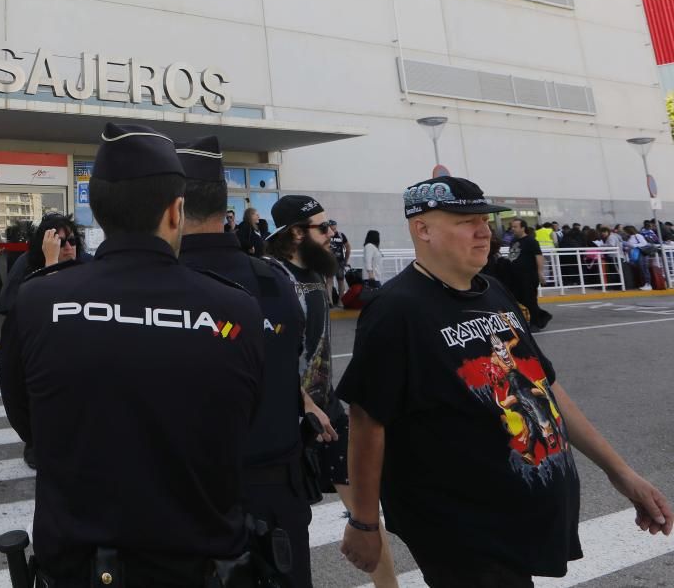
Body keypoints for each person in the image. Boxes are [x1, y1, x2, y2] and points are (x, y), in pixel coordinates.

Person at [338, 176, 673, 586]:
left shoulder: (493, 291)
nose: (484, 232)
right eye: (465, 221)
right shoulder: (396, 310)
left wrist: (620, 472)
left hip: (515, 520)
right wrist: (365, 522)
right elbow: (367, 421)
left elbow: (544, 385)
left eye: (484, 219)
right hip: (462, 531)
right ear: (422, 229)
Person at [0, 123, 264, 586]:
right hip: (198, 566)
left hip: (77, 567)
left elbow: (28, 422)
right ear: (176, 212)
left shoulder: (37, 303)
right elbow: (243, 420)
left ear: (98, 211)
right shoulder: (234, 309)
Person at [177, 135, 315, 587]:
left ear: (173, 207)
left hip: (186, 498)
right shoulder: (274, 282)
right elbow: (286, 361)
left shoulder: (151, 287)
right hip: (276, 498)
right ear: (224, 205)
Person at [265, 195, 398, 587]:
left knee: (366, 516)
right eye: (323, 228)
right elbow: (266, 354)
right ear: (295, 234)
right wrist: (302, 401)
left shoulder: (318, 272)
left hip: (330, 416)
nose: (332, 234)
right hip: (289, 422)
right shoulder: (271, 280)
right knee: (284, 530)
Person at [0, 212, 86, 470]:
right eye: (60, 242)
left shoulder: (86, 266)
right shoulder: (27, 268)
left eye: (72, 241)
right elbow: (16, 308)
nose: (68, 247)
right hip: (39, 366)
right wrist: (50, 262)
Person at [508, 218, 552, 330]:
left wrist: (540, 273)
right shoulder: (513, 241)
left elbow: (539, 257)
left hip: (529, 275)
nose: (513, 229)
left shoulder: (531, 241)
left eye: (515, 227)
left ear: (523, 228)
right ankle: (540, 316)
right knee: (518, 299)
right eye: (512, 227)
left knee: (530, 299)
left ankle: (535, 323)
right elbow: (512, 257)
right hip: (515, 276)